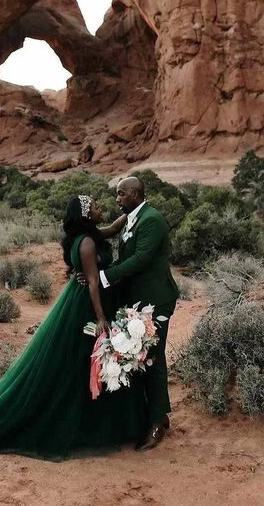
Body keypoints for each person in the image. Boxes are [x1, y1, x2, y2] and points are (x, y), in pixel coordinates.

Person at [0, 195, 147, 461]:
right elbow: (93, 282)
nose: (99, 208)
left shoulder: (88, 236)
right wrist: (101, 318)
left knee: (84, 365)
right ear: (84, 215)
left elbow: (113, 228)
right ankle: (81, 426)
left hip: (80, 300)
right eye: (94, 207)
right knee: (81, 365)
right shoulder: (88, 243)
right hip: (88, 307)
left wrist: (137, 209)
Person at [99, 176, 179, 451]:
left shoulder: (152, 220)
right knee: (144, 359)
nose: (117, 199)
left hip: (157, 300)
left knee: (152, 359)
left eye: (121, 194)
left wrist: (104, 277)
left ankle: (157, 422)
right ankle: (158, 414)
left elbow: (140, 259)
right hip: (137, 301)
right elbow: (113, 237)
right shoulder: (132, 217)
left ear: (134, 194)